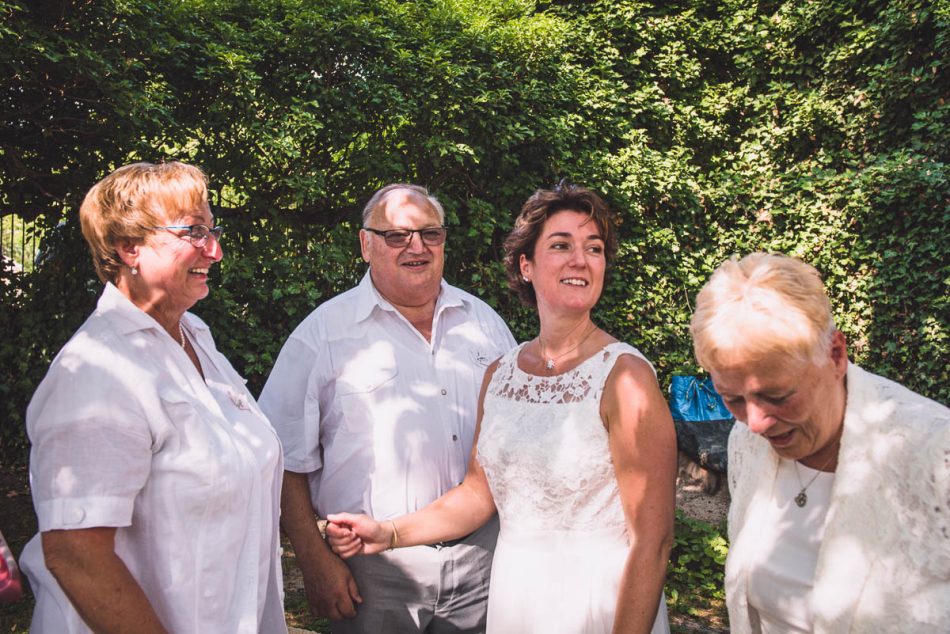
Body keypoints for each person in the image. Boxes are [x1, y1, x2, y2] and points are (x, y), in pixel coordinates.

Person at [327, 183, 676, 634]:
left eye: (594, 248)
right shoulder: (501, 373)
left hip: (597, 601)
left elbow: (653, 541)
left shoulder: (625, 377)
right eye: (561, 245)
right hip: (516, 596)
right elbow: (477, 495)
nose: (580, 260)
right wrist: (389, 533)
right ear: (526, 265)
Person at [19, 162, 287, 633]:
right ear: (129, 247)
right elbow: (76, 554)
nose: (216, 251)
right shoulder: (97, 372)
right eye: (194, 232)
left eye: (213, 230)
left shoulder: (193, 335)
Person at [259, 183, 515, 633]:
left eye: (430, 233)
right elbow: (283, 459)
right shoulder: (323, 335)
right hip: (372, 569)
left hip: (482, 562)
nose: (416, 247)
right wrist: (314, 560)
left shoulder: (485, 325)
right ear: (366, 244)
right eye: (396, 235)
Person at [690, 252, 950, 633]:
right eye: (733, 399)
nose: (756, 423)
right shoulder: (745, 442)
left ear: (836, 355)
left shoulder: (935, 454)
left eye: (777, 396)